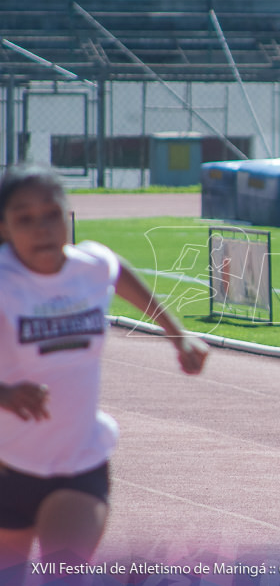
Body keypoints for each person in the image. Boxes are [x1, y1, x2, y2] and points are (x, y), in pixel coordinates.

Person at [0, 165, 209, 575]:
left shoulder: (90, 267)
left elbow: (117, 271)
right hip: (7, 465)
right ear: (4, 228)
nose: (41, 227)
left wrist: (178, 335)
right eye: (24, 218)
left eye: (51, 214)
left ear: (68, 215)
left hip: (80, 461)